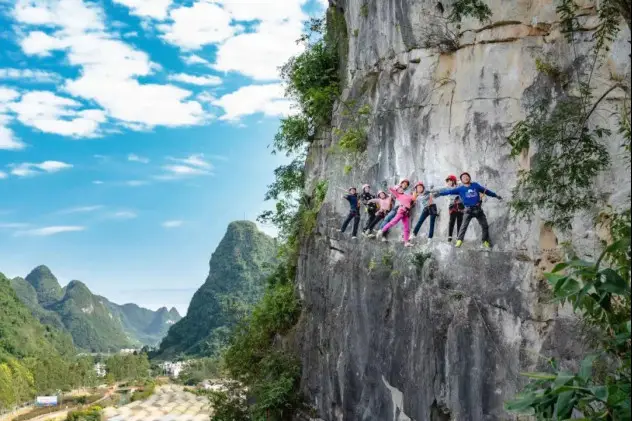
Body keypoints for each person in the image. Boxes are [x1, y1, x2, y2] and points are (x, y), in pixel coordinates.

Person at [435, 172, 502, 248]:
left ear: (469, 178)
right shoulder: (460, 189)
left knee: (485, 226)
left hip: (478, 209)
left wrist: (495, 195)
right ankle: (459, 241)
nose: (465, 178)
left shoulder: (475, 185)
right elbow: (449, 191)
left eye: (467, 176)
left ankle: (485, 241)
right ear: (461, 180)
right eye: (463, 177)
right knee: (463, 226)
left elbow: (486, 191)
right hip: (468, 210)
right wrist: (439, 194)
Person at [441, 174, 464, 242]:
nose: (448, 182)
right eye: (447, 181)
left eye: (450, 181)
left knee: (459, 221)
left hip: (460, 205)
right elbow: (440, 189)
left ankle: (458, 237)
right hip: (452, 205)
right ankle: (450, 236)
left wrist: (458, 181)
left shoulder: (459, 186)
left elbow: (464, 183)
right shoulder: (447, 188)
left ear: (453, 181)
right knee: (452, 221)